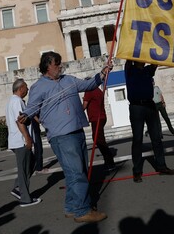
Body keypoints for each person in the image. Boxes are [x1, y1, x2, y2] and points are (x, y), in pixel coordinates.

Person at [18, 51, 111, 223]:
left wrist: (102, 73)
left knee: (75, 172)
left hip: (77, 131)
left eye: (60, 63)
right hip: (61, 136)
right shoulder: (39, 87)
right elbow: (32, 108)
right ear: (47, 66)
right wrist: (26, 116)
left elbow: (89, 84)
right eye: (56, 63)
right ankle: (83, 210)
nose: (60, 66)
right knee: (77, 173)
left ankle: (71, 207)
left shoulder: (69, 80)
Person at [124, 60, 174, 184]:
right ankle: (137, 171)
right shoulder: (129, 70)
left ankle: (161, 166)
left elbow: (155, 62)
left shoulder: (148, 70)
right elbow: (127, 58)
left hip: (150, 105)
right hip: (136, 107)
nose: (143, 60)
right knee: (137, 139)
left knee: (156, 137)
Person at [6, 78, 41, 207]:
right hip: (20, 141)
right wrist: (28, 139)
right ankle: (25, 198)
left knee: (31, 163)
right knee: (23, 169)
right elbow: (19, 121)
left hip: (18, 140)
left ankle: (17, 187)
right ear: (20, 89)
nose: (28, 89)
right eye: (26, 87)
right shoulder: (17, 101)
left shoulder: (13, 101)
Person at [82, 86, 116, 171]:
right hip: (101, 117)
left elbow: (84, 105)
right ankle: (108, 160)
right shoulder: (98, 90)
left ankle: (110, 161)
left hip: (96, 118)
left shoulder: (89, 90)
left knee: (98, 139)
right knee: (99, 138)